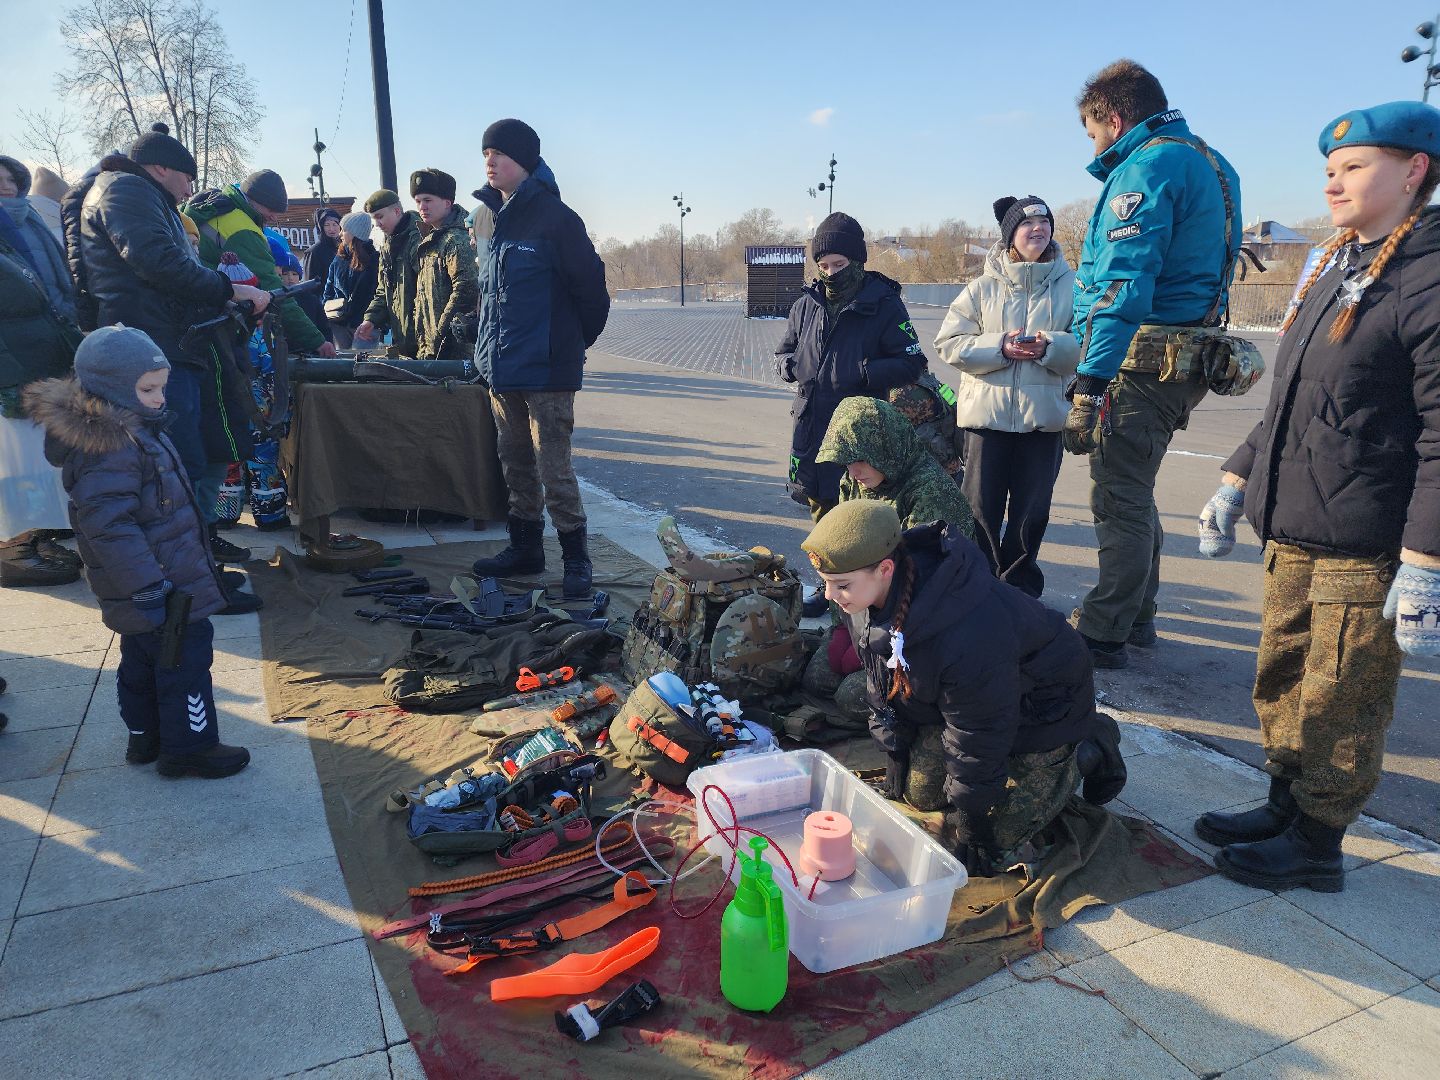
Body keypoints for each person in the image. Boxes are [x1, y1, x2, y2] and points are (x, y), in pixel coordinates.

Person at [1194, 102, 1440, 893]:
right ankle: (1283, 806)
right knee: (1286, 678)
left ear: (1415, 171)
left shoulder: (1428, 277)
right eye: (1329, 170)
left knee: (1340, 699)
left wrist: (1426, 559)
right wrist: (1237, 475)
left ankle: (1316, 843)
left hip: (1365, 540)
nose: (1333, 182)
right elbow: (1293, 401)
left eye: (1355, 167)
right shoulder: (1339, 264)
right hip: (1297, 523)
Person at [801, 500, 1125, 875]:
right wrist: (894, 747)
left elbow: (980, 728)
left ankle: (1090, 746)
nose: (828, 595)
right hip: (971, 703)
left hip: (1045, 707)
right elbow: (881, 679)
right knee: (920, 797)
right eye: (826, 583)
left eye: (840, 585)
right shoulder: (864, 596)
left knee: (998, 838)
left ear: (885, 569)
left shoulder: (968, 632)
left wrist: (973, 817)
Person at [1064, 60, 1242, 668]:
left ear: (1114, 120)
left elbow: (1122, 285)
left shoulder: (1148, 165)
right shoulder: (1214, 163)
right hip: (1186, 358)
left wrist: (1090, 379)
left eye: (1092, 133)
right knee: (1135, 490)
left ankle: (1104, 628)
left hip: (1142, 362)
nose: (1094, 145)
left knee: (1117, 494)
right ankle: (1137, 614)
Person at [25, 325, 249, 778]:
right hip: (158, 584)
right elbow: (109, 526)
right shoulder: (112, 445)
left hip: (155, 580)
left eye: (161, 387)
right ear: (113, 389)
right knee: (184, 662)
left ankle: (145, 738)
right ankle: (190, 746)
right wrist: (149, 586)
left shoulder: (134, 428)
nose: (159, 397)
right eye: (148, 389)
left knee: (144, 661)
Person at [67, 124, 273, 581]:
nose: (189, 189)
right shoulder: (128, 192)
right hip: (154, 348)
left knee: (181, 460)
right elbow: (158, 261)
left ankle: (192, 561)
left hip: (160, 344)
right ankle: (187, 575)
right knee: (172, 466)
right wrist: (227, 287)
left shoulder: (128, 192)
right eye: (186, 177)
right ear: (161, 168)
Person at [469, 119, 611, 598]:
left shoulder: (556, 219)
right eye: (485, 153)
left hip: (547, 371)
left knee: (555, 468)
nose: (489, 161)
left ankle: (576, 559)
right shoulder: (489, 217)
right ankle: (525, 548)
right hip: (502, 368)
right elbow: (491, 295)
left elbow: (592, 292)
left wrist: (568, 346)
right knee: (515, 463)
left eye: (498, 154)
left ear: (524, 161)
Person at [935, 195, 1079, 598]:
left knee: (1031, 513)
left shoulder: (1075, 286)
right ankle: (976, 584)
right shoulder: (981, 289)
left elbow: (1090, 346)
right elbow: (949, 343)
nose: (1038, 229)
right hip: (986, 422)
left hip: (1043, 420)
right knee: (978, 510)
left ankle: (1019, 590)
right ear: (1010, 235)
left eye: (1045, 223)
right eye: (1027, 224)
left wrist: (1050, 346)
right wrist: (1000, 346)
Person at [776, 212, 928, 521]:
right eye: (823, 266)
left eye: (839, 264)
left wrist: (862, 372)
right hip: (812, 431)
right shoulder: (805, 305)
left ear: (857, 261)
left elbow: (912, 363)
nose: (831, 273)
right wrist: (793, 367)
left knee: (857, 526)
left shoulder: (884, 303)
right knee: (821, 525)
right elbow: (782, 355)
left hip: (862, 434)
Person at [0, 233, 83, 587]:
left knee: (35, 465)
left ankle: (32, 538)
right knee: (15, 466)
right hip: (12, 378)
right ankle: (11, 550)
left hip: (31, 371)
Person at [410, 168, 479, 361]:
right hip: (432, 349)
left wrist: (441, 335)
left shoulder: (456, 239)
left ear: (447, 202)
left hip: (455, 351)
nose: (422, 206)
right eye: (418, 201)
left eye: (428, 200)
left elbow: (466, 289)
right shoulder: (433, 238)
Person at [356, 189, 422, 358]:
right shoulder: (387, 246)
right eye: (374, 219)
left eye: (380, 216)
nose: (377, 224)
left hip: (424, 340)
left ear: (397, 211)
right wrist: (370, 319)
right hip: (403, 339)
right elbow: (383, 291)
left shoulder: (419, 240)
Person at [323, 212, 378, 349]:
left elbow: (377, 294)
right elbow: (328, 289)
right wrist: (328, 311)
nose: (340, 234)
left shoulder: (375, 260)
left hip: (365, 326)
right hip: (339, 323)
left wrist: (375, 320)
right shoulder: (339, 258)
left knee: (365, 366)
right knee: (342, 366)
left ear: (356, 233)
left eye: (344, 230)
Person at [279, 251, 332, 342]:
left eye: (294, 274)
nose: (290, 278)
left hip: (312, 348)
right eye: (285, 274)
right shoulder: (276, 299)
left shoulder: (311, 300)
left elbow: (324, 328)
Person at [304, 207, 342, 284]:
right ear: (321, 227)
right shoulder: (314, 252)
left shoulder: (343, 249)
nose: (331, 229)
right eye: (327, 225)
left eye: (335, 224)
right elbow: (309, 284)